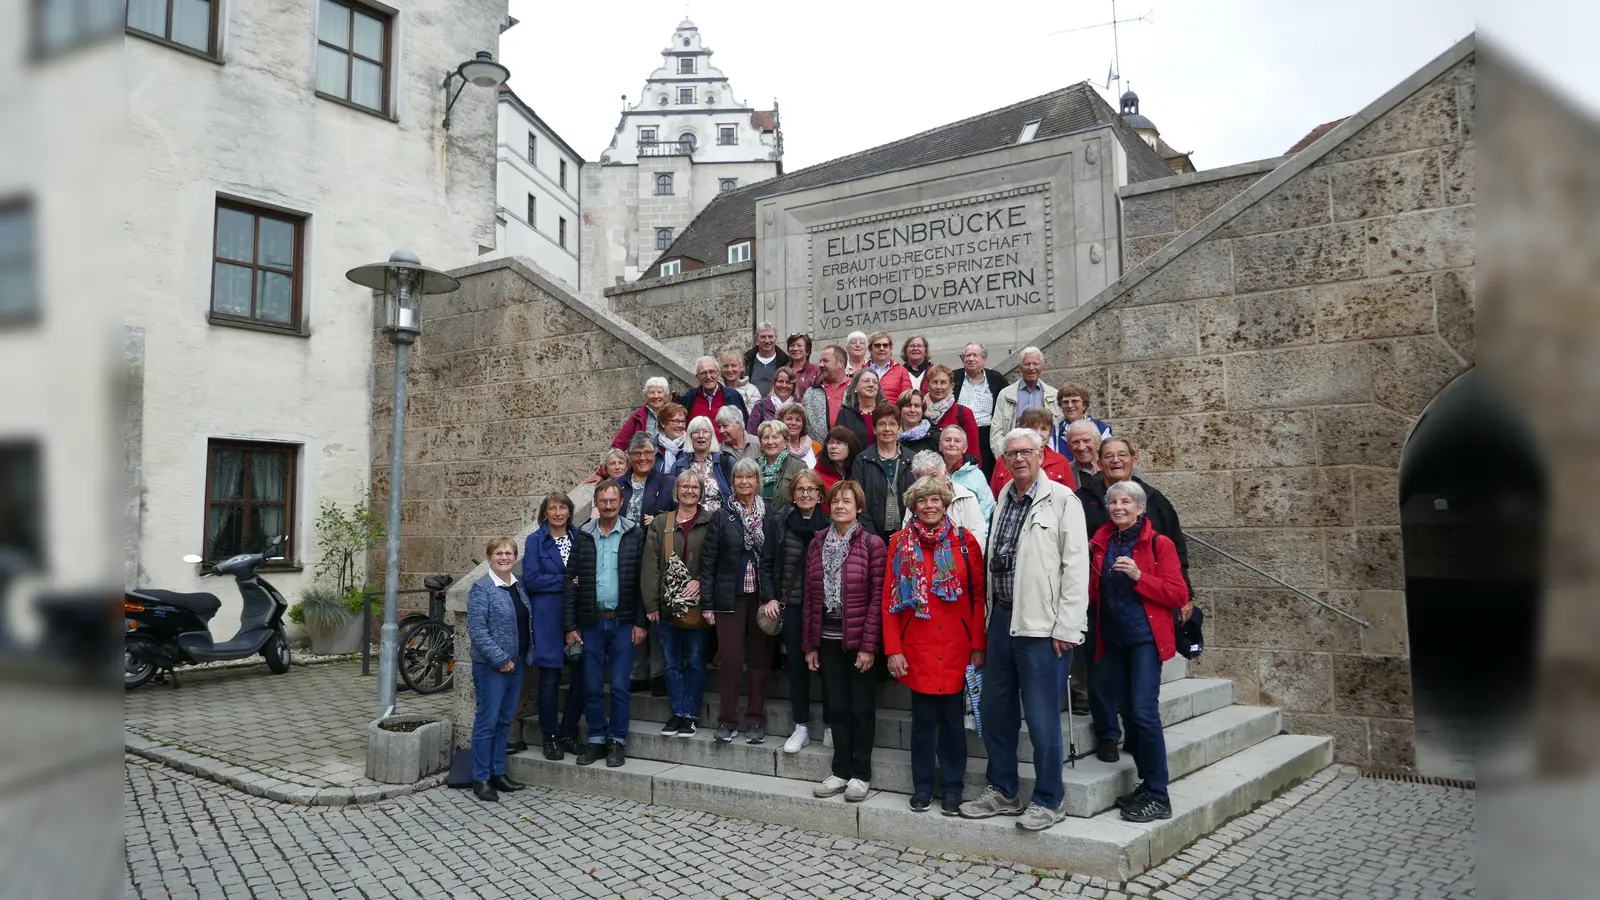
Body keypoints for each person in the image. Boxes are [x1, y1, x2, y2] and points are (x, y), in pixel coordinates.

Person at [959, 427, 1089, 833]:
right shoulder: (1002, 499)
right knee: (997, 712)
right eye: (1010, 453)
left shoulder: (1063, 501)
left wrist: (1068, 625)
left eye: (1025, 452)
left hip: (1042, 626)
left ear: (1041, 454)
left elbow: (1076, 568)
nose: (1018, 459)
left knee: (1042, 718)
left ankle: (1050, 799)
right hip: (1001, 620)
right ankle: (1003, 789)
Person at [1088, 480, 1190, 823]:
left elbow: (1177, 595)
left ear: (1140, 508)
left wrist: (1139, 576)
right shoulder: (1101, 542)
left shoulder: (1159, 543)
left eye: (1126, 502)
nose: (1119, 507)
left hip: (1145, 639)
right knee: (1129, 714)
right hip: (1114, 639)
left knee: (1145, 714)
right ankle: (1146, 786)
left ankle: (1159, 795)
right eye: (1114, 502)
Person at [884, 477, 987, 815]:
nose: (929, 506)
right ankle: (923, 787)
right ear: (913, 506)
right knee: (924, 723)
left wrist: (977, 644)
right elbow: (889, 599)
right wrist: (893, 648)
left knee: (953, 723)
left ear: (945, 504)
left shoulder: (964, 541)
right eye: (922, 501)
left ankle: (953, 789)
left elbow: (976, 596)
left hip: (956, 645)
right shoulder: (899, 542)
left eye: (935, 500)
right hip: (918, 646)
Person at [803, 480, 886, 802]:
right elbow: (810, 596)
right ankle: (840, 770)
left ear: (858, 507)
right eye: (835, 501)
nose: (840, 506)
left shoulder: (872, 544)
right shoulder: (817, 542)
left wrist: (868, 645)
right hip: (827, 638)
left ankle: (861, 774)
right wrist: (810, 645)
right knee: (836, 707)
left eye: (847, 501)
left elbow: (878, 598)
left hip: (858, 640)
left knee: (861, 708)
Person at [563, 481, 647, 768]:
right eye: (603, 501)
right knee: (591, 685)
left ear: (621, 501)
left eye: (613, 500)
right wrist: (570, 626)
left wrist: (640, 622)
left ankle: (617, 741)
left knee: (621, 686)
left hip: (623, 623)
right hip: (591, 623)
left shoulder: (635, 534)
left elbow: (641, 582)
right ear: (596, 503)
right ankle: (597, 739)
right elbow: (570, 582)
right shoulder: (583, 536)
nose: (608, 505)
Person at [641, 471, 721, 738]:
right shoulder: (662, 522)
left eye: (694, 486)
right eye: (684, 486)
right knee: (671, 662)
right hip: (666, 606)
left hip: (697, 604)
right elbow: (650, 565)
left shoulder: (711, 521)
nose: (689, 490)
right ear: (677, 491)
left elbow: (717, 560)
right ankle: (677, 712)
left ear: (701, 492)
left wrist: (700, 580)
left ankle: (691, 714)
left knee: (697, 661)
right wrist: (651, 603)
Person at [760, 470, 832, 753]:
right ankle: (800, 725)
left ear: (819, 493)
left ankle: (829, 725)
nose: (805, 494)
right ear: (793, 493)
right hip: (792, 606)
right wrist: (770, 597)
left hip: (824, 607)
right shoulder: (779, 522)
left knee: (828, 667)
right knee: (797, 669)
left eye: (811, 489)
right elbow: (766, 562)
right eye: (800, 489)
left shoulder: (828, 522)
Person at [706, 458, 776, 744]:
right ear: (732, 482)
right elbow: (709, 562)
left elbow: (774, 558)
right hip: (729, 597)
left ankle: (756, 720)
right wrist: (708, 604)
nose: (744, 482)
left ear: (758, 482)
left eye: (750, 477)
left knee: (760, 659)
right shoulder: (722, 516)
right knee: (730, 659)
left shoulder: (771, 514)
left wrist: (774, 597)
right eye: (739, 478)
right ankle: (727, 720)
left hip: (761, 599)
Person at [466, 536, 534, 802]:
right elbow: (478, 632)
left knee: (505, 720)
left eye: (508, 553)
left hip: (516, 663)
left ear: (515, 557)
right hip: (492, 667)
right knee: (487, 721)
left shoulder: (519, 586)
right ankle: (480, 778)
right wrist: (500, 658)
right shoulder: (482, 588)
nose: (504, 557)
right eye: (498, 553)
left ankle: (498, 772)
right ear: (489, 557)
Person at [522, 493, 586, 760]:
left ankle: (568, 730)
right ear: (544, 513)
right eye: (552, 508)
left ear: (570, 512)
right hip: (548, 617)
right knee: (549, 678)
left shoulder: (580, 537)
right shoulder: (535, 540)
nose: (558, 513)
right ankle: (549, 736)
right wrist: (567, 580)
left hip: (578, 615)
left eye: (563, 508)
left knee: (581, 676)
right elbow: (533, 579)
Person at [851, 405, 915, 544]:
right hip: (870, 537)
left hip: (908, 535)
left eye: (892, 424)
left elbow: (918, 500)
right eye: (881, 424)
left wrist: (906, 533)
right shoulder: (862, 460)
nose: (887, 429)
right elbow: (858, 502)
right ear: (874, 429)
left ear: (899, 428)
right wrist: (872, 538)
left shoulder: (913, 460)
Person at [592, 376, 672, 482]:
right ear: (646, 395)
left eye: (659, 392)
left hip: (667, 467)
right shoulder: (639, 416)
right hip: (642, 466)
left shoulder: (674, 413)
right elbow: (619, 445)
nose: (656, 396)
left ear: (666, 395)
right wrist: (602, 473)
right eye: (652, 392)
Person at [988, 347, 1060, 460]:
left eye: (1035, 364)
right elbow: (996, 433)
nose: (1031, 368)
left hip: (1047, 458)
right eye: (1027, 364)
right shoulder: (1005, 394)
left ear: (1042, 366)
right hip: (1014, 457)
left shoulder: (1054, 395)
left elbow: (1058, 432)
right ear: (1019, 368)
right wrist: (1006, 458)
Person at [901, 451, 987, 545]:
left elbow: (978, 537)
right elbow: (907, 536)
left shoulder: (966, 497)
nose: (930, 482)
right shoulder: (914, 501)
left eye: (934, 476)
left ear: (945, 473)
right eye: (923, 478)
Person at [952, 342, 1010, 479]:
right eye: (967, 355)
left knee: (986, 473)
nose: (970, 359)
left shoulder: (995, 378)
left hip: (987, 434)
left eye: (975, 355)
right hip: (961, 433)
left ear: (984, 359)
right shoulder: (954, 377)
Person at [990, 407, 1077, 497]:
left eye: (1044, 429)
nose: (1038, 433)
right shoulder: (1005, 459)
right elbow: (994, 498)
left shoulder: (1061, 462)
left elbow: (1069, 498)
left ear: (1050, 433)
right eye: (1032, 428)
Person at [670, 416, 735, 513]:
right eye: (696, 432)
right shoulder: (679, 466)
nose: (701, 436)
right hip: (689, 523)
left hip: (720, 523)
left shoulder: (726, 462)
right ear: (690, 436)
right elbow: (673, 499)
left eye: (705, 431)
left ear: (711, 436)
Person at [939, 425, 995, 525]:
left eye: (957, 441)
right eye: (947, 440)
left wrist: (981, 539)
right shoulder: (934, 473)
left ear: (965, 448)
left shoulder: (977, 475)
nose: (952, 444)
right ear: (940, 446)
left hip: (969, 534)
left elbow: (987, 510)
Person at [923, 365, 982, 458]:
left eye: (943, 382)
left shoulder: (964, 413)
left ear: (951, 386)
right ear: (927, 385)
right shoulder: (919, 411)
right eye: (934, 382)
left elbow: (973, 451)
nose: (938, 387)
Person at [619, 434, 676, 526]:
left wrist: (660, 519)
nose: (642, 458)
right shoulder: (618, 484)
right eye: (637, 453)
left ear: (655, 455)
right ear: (629, 456)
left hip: (654, 538)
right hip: (622, 538)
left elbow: (681, 514)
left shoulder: (669, 482)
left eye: (647, 453)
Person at [802, 344, 852, 443]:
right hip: (820, 453)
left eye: (825, 361)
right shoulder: (811, 393)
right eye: (820, 361)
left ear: (840, 364)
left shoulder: (856, 388)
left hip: (852, 452)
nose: (820, 365)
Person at [680, 355, 749, 425]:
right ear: (697, 377)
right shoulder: (689, 397)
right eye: (703, 373)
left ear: (718, 373)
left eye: (712, 371)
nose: (708, 376)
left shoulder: (733, 396)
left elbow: (743, 425)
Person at [754, 420, 809, 504]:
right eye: (766, 438)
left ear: (786, 442)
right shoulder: (752, 466)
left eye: (775, 437)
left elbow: (805, 498)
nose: (770, 442)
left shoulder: (798, 467)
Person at [835, 368, 883, 451]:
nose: (871, 384)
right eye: (866, 381)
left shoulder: (885, 412)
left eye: (875, 382)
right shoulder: (845, 414)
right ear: (855, 388)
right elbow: (839, 443)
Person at [746, 366, 801, 433]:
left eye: (788, 382)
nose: (784, 385)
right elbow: (752, 434)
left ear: (794, 386)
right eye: (780, 381)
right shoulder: (761, 405)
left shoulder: (799, 407)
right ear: (774, 383)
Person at [744, 322, 790, 397]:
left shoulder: (785, 362)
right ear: (756, 339)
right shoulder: (747, 361)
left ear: (776, 338)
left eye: (770, 336)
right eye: (763, 337)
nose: (767, 340)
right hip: (751, 406)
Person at [865, 331, 912, 402]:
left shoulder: (902, 372)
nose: (881, 348)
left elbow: (907, 400)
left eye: (885, 345)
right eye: (877, 345)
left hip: (893, 412)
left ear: (890, 349)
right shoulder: (861, 371)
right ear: (870, 349)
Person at [815, 427, 861, 497]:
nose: (833, 446)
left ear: (851, 446)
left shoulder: (859, 473)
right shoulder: (816, 476)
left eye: (839, 443)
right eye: (830, 442)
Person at [779, 402, 821, 468]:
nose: (793, 423)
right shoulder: (775, 446)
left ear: (803, 424)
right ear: (781, 421)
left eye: (798, 420)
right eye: (789, 419)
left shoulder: (816, 447)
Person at [896, 390, 937, 458]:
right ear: (900, 409)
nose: (912, 410)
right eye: (908, 405)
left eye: (917, 406)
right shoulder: (890, 434)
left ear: (922, 410)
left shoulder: (933, 437)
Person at [588, 449, 629, 515]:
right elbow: (595, 516)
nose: (617, 467)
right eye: (612, 463)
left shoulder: (634, 485)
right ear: (606, 469)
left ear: (627, 467)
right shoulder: (601, 489)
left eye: (621, 463)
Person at [653, 403, 690, 475]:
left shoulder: (691, 447)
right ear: (663, 423)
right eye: (676, 421)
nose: (680, 425)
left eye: (682, 421)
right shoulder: (652, 448)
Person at [787, 332, 822, 397]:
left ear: (807, 350)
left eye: (799, 346)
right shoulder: (783, 371)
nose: (795, 348)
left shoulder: (816, 372)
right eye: (792, 345)